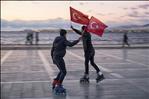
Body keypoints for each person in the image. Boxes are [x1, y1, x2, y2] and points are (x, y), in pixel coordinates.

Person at [51, 29, 81, 93]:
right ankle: (59, 86)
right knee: (64, 72)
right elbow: (70, 44)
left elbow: (52, 49)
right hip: (59, 58)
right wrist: (78, 40)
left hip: (55, 57)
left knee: (61, 71)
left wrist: (52, 58)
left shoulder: (56, 38)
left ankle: (55, 82)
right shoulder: (63, 39)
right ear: (65, 34)